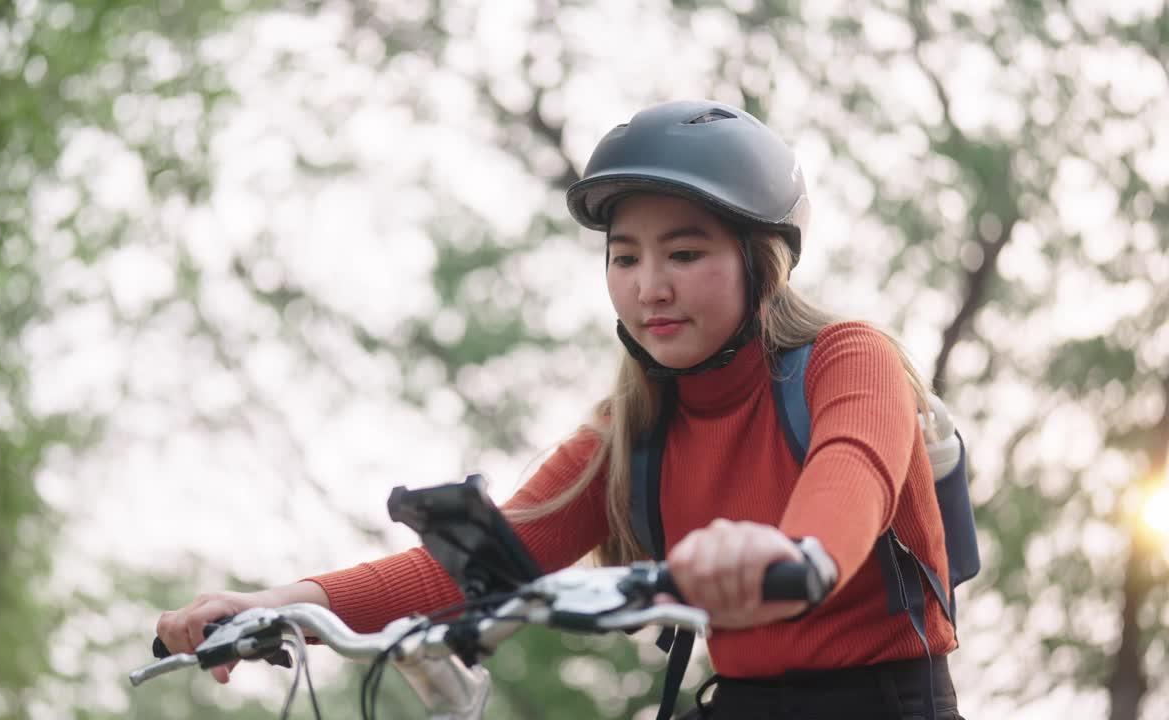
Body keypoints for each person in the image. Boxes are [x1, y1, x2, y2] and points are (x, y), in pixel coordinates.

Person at [156, 99, 964, 719]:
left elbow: (847, 485)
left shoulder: (849, 358)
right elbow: (485, 565)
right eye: (625, 257)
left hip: (885, 702)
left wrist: (792, 554)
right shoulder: (636, 425)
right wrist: (272, 605)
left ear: (762, 267)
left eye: (685, 253)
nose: (650, 286)